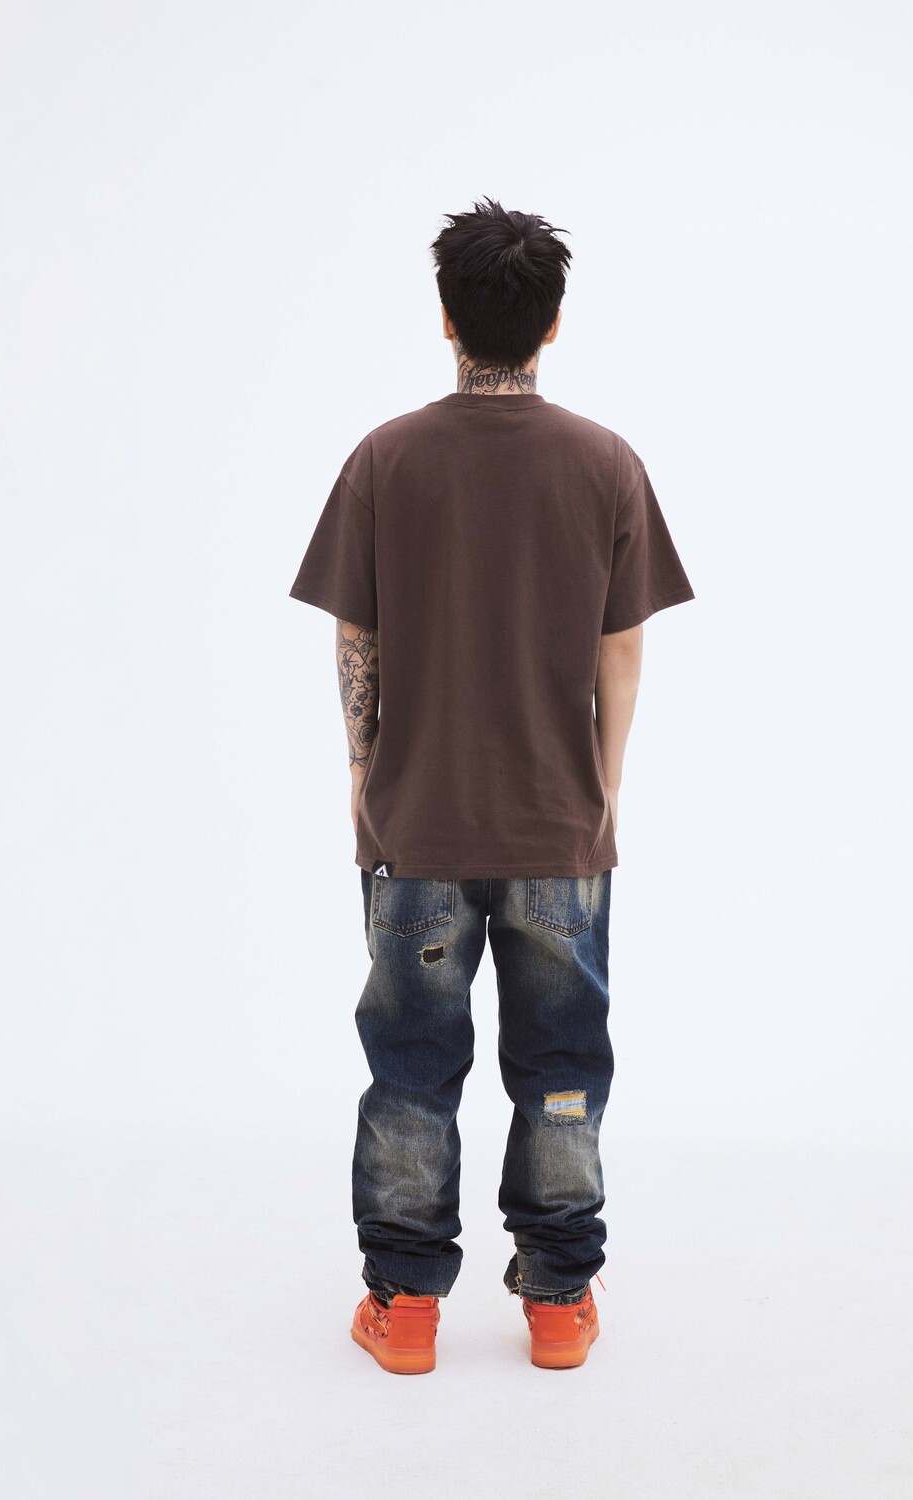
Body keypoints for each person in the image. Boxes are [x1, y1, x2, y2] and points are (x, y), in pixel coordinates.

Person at [287, 197, 695, 1374]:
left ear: (446, 316)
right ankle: (559, 1301)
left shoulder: (385, 458)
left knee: (411, 1070)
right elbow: (623, 652)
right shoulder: (606, 463)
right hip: (558, 827)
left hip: (414, 824)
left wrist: (362, 778)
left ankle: (405, 1308)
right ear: (553, 322)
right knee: (561, 1068)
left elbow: (355, 639)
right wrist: (601, 791)